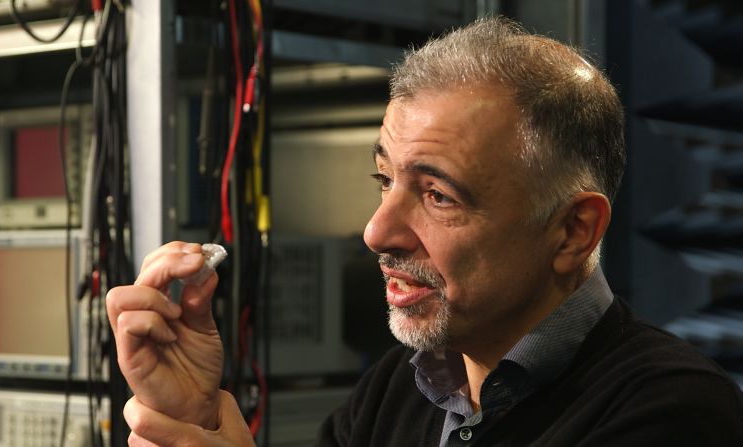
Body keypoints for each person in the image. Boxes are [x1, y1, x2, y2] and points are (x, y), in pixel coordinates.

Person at [106, 16, 743, 446]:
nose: (378, 231)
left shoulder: (673, 413)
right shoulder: (395, 389)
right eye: (386, 182)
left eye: (438, 195)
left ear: (574, 231)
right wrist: (195, 419)